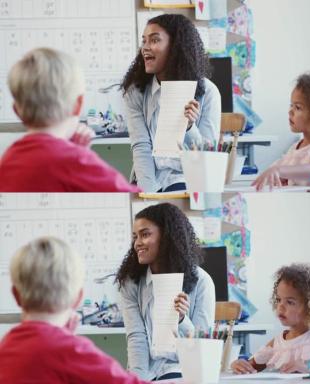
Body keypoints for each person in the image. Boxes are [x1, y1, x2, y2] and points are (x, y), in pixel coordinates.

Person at [0, 236, 149, 383]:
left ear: (15, 295)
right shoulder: (70, 350)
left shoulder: (6, 347)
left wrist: (63, 333)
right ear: (78, 298)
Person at [0, 48, 139, 192]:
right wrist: (81, 156)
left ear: (17, 111)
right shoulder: (76, 161)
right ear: (78, 105)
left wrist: (76, 150)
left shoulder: (7, 159)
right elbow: (136, 197)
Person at [122, 14, 221, 192]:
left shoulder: (208, 92)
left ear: (175, 47)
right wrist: (149, 194)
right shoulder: (135, 93)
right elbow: (141, 147)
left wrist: (190, 128)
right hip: (149, 177)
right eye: (144, 41)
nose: (145, 48)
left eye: (154, 40)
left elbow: (206, 160)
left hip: (185, 177)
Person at [116, 203, 215, 381]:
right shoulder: (131, 283)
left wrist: (182, 320)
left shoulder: (202, 282)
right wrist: (138, 379)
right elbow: (136, 338)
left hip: (183, 369)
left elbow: (202, 348)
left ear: (167, 237)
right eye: (135, 236)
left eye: (145, 234)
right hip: (148, 371)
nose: (137, 243)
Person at [231, 263, 310, 373]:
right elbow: (250, 367)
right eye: (279, 300)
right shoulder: (277, 343)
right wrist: (239, 365)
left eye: (290, 302)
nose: (280, 306)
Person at [252, 71, 310, 191]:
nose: (290, 111)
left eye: (298, 107)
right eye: (291, 105)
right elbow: (280, 172)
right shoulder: (295, 148)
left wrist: (280, 171)